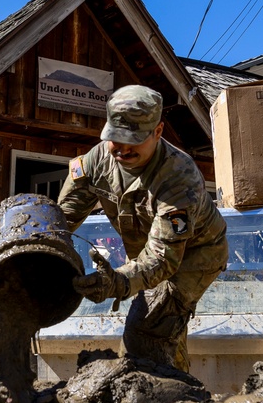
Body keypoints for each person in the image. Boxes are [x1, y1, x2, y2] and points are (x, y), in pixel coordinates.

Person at [57, 84, 228, 373]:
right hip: (144, 253)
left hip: (195, 254)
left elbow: (163, 259)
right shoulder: (96, 160)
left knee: (147, 328)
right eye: (115, 138)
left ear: (158, 132)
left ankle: (167, 398)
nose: (122, 149)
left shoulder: (179, 178)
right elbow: (63, 217)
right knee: (162, 326)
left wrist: (118, 283)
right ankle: (180, 392)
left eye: (133, 139)